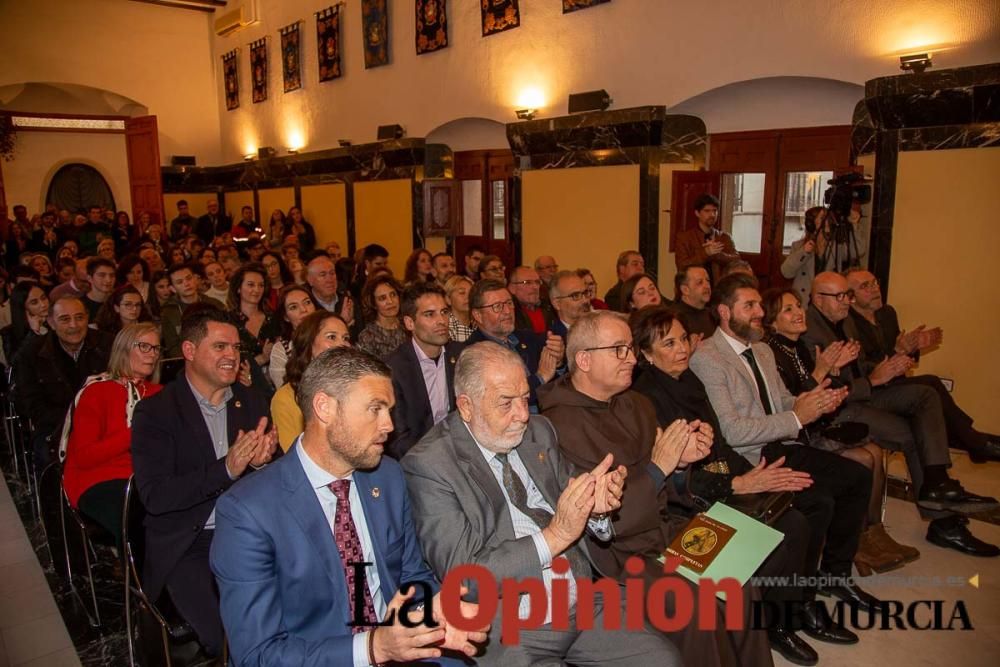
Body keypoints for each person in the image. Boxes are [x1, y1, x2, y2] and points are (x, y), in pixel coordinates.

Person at [403, 342, 680, 666]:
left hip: (581, 597)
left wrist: (597, 509)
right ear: (466, 406)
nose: (523, 415)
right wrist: (555, 536)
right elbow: (466, 580)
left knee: (663, 660)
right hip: (511, 624)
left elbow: (575, 500)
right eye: (506, 403)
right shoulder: (431, 464)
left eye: (524, 398)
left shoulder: (539, 431)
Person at [214, 347, 489, 665]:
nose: (389, 425)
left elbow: (411, 575)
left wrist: (435, 611)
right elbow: (257, 655)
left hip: (397, 649)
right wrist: (373, 648)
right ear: (324, 407)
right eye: (376, 408)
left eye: (389, 409)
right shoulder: (247, 511)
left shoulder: (387, 477)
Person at [538, 310, 776, 666]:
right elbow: (601, 520)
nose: (632, 358)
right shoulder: (558, 425)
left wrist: (681, 465)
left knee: (738, 577)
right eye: (618, 350)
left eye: (630, 348)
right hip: (615, 556)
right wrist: (659, 466)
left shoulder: (637, 403)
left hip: (662, 528)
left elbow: (672, 491)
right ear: (584, 360)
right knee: (695, 607)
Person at [627, 306, 819, 664]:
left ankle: (778, 623)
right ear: (646, 355)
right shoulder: (647, 399)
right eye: (668, 343)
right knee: (779, 538)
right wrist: (738, 482)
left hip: (717, 477)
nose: (682, 348)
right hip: (689, 498)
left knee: (795, 518)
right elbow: (674, 475)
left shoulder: (690, 382)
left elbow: (720, 446)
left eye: (684, 338)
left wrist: (753, 473)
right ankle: (749, 624)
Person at [688, 274, 880, 626]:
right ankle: (801, 602)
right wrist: (797, 416)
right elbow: (732, 432)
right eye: (750, 306)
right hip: (748, 458)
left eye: (760, 304)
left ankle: (836, 575)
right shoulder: (708, 359)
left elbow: (780, 402)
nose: (760, 312)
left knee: (857, 476)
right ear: (724, 312)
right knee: (819, 500)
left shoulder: (761, 349)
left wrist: (814, 402)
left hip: (780, 444)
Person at [802, 271, 999, 557]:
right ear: (818, 299)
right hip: (838, 410)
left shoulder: (844, 321)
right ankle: (942, 509)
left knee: (927, 395)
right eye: (840, 296)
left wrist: (885, 366)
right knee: (915, 422)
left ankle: (937, 489)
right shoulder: (811, 331)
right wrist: (872, 380)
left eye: (848, 295)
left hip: (864, 394)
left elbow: (862, 365)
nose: (847, 302)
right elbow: (821, 387)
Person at [131, 308, 277, 657]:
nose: (232, 356)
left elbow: (280, 484)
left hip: (249, 534)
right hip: (190, 542)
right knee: (231, 636)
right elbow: (156, 496)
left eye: (236, 348)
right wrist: (226, 469)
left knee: (298, 609)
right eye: (220, 347)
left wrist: (263, 465)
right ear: (189, 351)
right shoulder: (156, 412)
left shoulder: (253, 401)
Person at [760, 288, 919, 574]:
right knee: (863, 459)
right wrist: (823, 370)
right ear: (772, 321)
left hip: (819, 424)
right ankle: (861, 542)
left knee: (874, 451)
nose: (798, 312)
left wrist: (831, 373)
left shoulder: (799, 347)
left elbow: (825, 392)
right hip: (799, 435)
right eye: (788, 310)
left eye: (798, 305)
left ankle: (873, 534)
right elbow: (788, 404)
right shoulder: (771, 352)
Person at [845, 268, 1000, 463]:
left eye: (875, 282)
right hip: (873, 390)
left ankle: (971, 441)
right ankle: (973, 442)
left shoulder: (887, 313)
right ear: (850, 298)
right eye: (865, 286)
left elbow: (901, 356)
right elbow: (864, 369)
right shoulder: (849, 323)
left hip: (896, 383)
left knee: (931, 385)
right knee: (930, 385)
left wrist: (913, 347)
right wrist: (897, 350)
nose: (875, 289)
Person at [62, 323, 162, 546]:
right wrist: (135, 433)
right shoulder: (97, 390)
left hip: (149, 477)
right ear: (123, 349)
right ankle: (147, 579)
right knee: (142, 515)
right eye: (144, 346)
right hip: (99, 478)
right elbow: (85, 457)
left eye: (155, 348)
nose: (152, 354)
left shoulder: (159, 393)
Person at [12, 297, 112, 466]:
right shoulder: (31, 354)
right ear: (51, 322)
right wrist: (74, 422)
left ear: (87, 318)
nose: (74, 325)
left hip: (104, 423)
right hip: (55, 427)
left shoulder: (108, 344)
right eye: (65, 319)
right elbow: (32, 404)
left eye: (79, 317)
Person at [384, 283, 463, 459]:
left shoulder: (460, 356)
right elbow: (397, 440)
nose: (441, 320)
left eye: (444, 312)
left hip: (460, 453)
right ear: (409, 323)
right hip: (417, 459)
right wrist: (436, 461)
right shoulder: (393, 368)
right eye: (430, 314)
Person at [466, 279, 563, 409]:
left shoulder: (528, 338)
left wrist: (559, 361)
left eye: (509, 303)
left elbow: (557, 382)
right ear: (478, 315)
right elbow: (502, 401)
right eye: (497, 306)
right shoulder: (474, 352)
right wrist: (540, 378)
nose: (507, 311)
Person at [270, 311, 352, 451]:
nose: (342, 344)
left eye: (345, 338)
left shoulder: (355, 388)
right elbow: (295, 458)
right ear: (309, 344)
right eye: (331, 337)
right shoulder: (285, 399)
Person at [782, 207, 869, 305]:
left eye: (829, 219)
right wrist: (804, 251)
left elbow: (859, 249)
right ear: (811, 224)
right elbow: (786, 272)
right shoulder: (798, 246)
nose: (827, 222)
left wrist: (854, 224)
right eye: (823, 218)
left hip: (828, 303)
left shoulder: (836, 247)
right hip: (805, 303)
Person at [160, 262, 226, 360]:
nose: (186, 284)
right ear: (172, 289)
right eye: (179, 282)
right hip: (186, 360)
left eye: (189, 278)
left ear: (195, 279)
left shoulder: (215, 304)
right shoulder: (168, 312)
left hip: (216, 356)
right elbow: (173, 347)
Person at [675, 193, 740, 282]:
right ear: (697, 213)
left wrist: (717, 254)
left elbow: (736, 260)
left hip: (720, 289)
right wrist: (705, 253)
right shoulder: (684, 238)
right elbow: (681, 266)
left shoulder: (724, 237)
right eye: (707, 211)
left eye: (715, 211)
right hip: (694, 288)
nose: (712, 215)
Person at [267, 285, 316, 388]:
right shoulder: (281, 350)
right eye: (294, 307)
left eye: (307, 302)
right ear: (286, 317)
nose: (303, 309)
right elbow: (283, 390)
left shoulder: (331, 336)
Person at [356, 273, 407, 360]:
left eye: (393, 295)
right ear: (373, 304)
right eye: (382, 298)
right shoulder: (368, 336)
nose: (390, 301)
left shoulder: (408, 326)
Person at [1, 281, 49, 360]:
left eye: (43, 298)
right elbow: (15, 362)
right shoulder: (8, 332)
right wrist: (33, 333)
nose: (43, 304)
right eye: (34, 302)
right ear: (23, 308)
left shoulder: (55, 324)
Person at [305, 253, 355, 326]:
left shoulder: (348, 302)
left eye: (332, 273)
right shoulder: (307, 308)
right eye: (323, 275)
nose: (329, 280)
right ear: (310, 280)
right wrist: (343, 323)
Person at [673, 266, 716, 340]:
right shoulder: (674, 318)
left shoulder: (713, 314)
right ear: (685, 290)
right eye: (700, 282)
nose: (707, 286)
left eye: (708, 280)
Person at [509, 265, 556, 335]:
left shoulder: (550, 308)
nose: (535, 287)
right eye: (527, 282)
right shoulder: (509, 313)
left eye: (537, 282)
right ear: (512, 288)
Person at [547, 270, 592, 340]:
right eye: (576, 295)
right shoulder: (552, 341)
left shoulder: (599, 330)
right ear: (557, 304)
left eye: (585, 293)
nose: (585, 300)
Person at [444, 274, 476, 342]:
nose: (468, 297)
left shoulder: (479, 323)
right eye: (462, 293)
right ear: (448, 299)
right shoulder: (445, 329)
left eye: (471, 293)